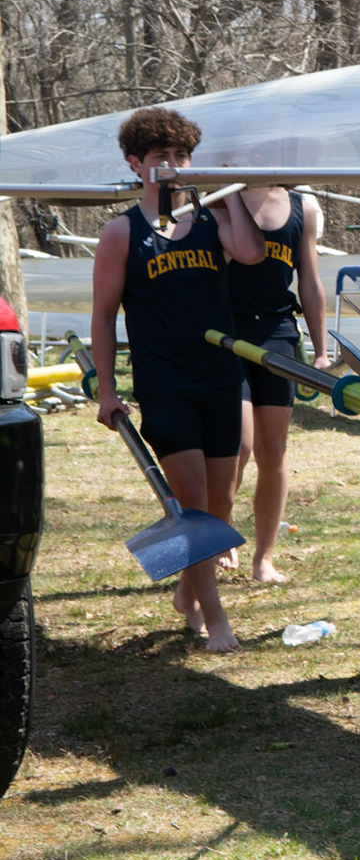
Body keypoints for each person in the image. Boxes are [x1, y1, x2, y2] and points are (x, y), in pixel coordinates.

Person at [90, 107, 268, 653]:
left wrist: (227, 192)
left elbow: (251, 253)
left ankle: (187, 591)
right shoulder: (122, 232)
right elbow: (103, 315)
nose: (172, 165)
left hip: (221, 377)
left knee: (223, 498)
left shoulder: (213, 221)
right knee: (188, 500)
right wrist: (107, 390)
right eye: (160, 157)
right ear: (135, 163)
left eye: (182, 156)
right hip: (164, 382)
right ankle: (214, 620)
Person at [228, 185, 331, 583]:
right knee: (238, 446)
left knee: (272, 451)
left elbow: (310, 282)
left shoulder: (303, 207)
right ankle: (221, 536)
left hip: (277, 334)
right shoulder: (219, 201)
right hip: (226, 334)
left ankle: (264, 559)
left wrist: (320, 351)